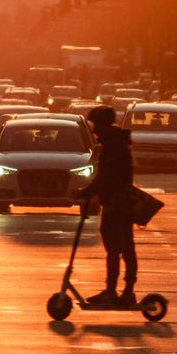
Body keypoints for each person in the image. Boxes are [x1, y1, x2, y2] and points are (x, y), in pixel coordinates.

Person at [75, 105, 137, 307]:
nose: (94, 131)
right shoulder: (117, 142)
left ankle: (115, 291)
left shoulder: (113, 145)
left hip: (116, 202)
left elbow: (107, 177)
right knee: (125, 247)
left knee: (116, 248)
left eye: (95, 125)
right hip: (119, 201)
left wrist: (88, 191)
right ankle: (125, 291)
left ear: (102, 124)